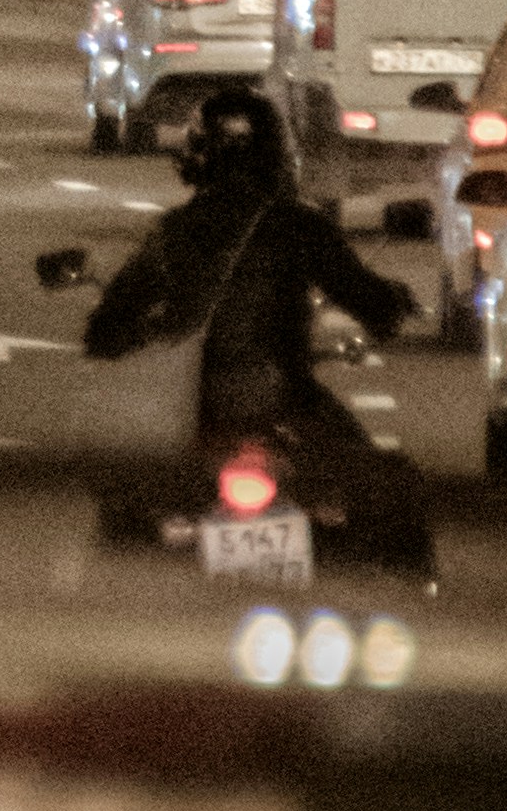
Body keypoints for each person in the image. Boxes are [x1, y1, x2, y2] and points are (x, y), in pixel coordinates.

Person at [65, 89, 427, 571]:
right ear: (280, 154)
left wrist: (141, 332)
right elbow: (371, 302)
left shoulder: (177, 230)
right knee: (392, 506)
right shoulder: (301, 226)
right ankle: (413, 612)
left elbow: (107, 328)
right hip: (288, 402)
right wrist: (394, 303)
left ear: (197, 157)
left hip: (201, 412)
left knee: (126, 525)